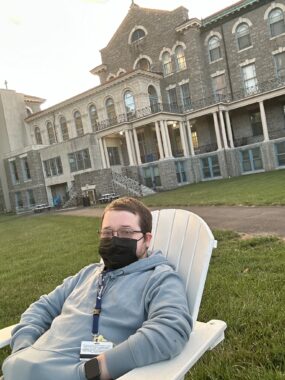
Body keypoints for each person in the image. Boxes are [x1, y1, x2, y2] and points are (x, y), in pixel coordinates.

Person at [2, 197, 192, 380]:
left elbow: (171, 330)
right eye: (107, 233)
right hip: (23, 366)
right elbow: (41, 307)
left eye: (126, 232)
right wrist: (22, 349)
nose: (115, 239)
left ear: (147, 239)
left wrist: (93, 370)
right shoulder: (87, 274)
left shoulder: (159, 278)